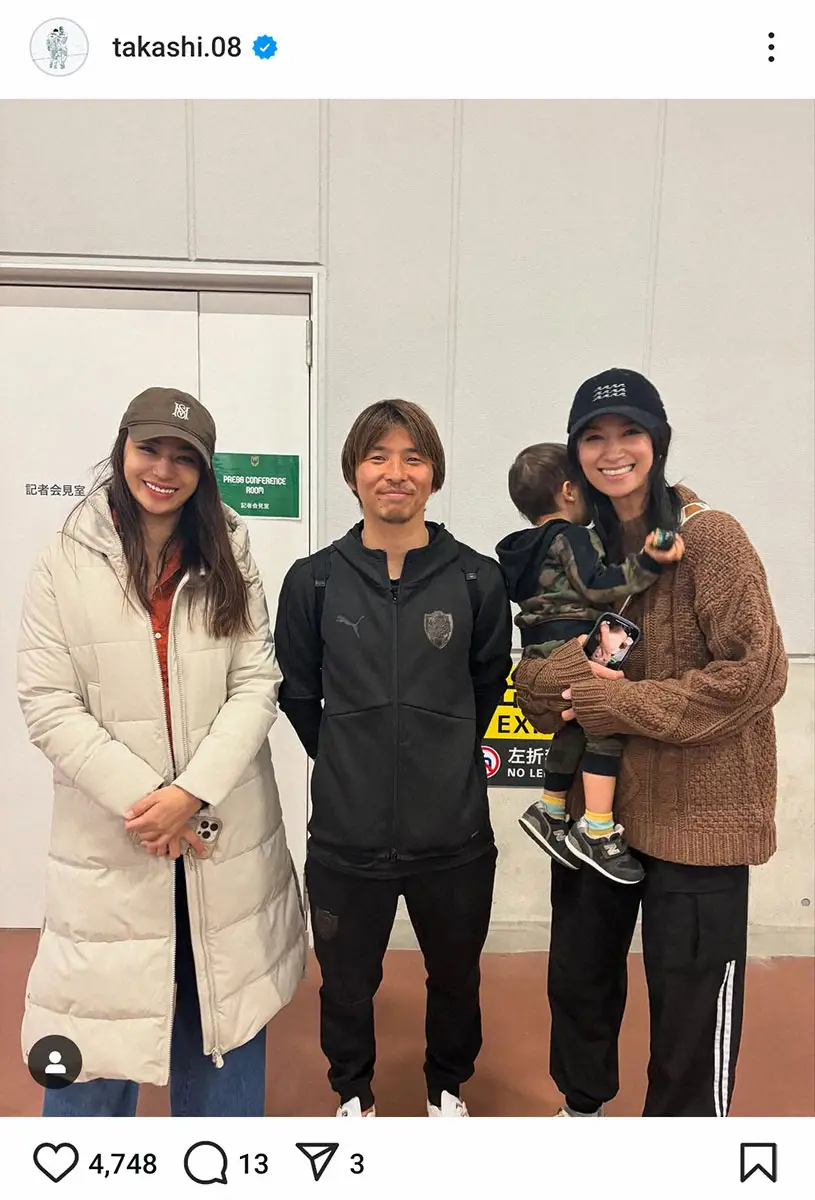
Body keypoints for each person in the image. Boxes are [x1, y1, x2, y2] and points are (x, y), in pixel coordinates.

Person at [17, 386, 307, 1117]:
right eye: (150, 449)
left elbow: (256, 682)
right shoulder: (64, 560)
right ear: (123, 448)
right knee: (96, 1033)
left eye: (185, 458)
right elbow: (47, 701)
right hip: (116, 837)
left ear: (204, 471)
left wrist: (190, 794)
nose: (164, 470)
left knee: (222, 1025)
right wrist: (150, 802)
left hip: (221, 833)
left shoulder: (230, 551)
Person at [513, 368, 788, 1117]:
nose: (613, 452)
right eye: (593, 438)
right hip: (597, 823)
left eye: (629, 432)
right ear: (574, 456)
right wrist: (578, 677)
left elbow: (756, 674)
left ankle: (680, 1152)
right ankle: (582, 1111)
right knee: (578, 981)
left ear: (657, 442)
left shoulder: (710, 538)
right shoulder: (568, 550)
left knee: (691, 1007)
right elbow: (534, 688)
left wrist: (618, 702)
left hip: (701, 819)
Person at [274, 399, 512, 1118]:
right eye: (378, 457)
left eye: (413, 457)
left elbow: (487, 680)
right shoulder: (313, 580)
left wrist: (440, 750)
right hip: (346, 836)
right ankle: (354, 1095)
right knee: (346, 983)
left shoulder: (476, 579)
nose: (395, 473)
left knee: (456, 977)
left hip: (455, 835)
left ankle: (446, 1089)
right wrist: (352, 757)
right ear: (353, 472)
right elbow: (299, 692)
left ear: (434, 474)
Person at [496, 442, 684, 883]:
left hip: (539, 649)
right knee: (604, 728)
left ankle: (551, 809)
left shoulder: (518, 550)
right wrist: (648, 563)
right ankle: (596, 830)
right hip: (578, 645)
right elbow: (597, 585)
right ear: (568, 490)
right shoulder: (572, 536)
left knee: (572, 728)